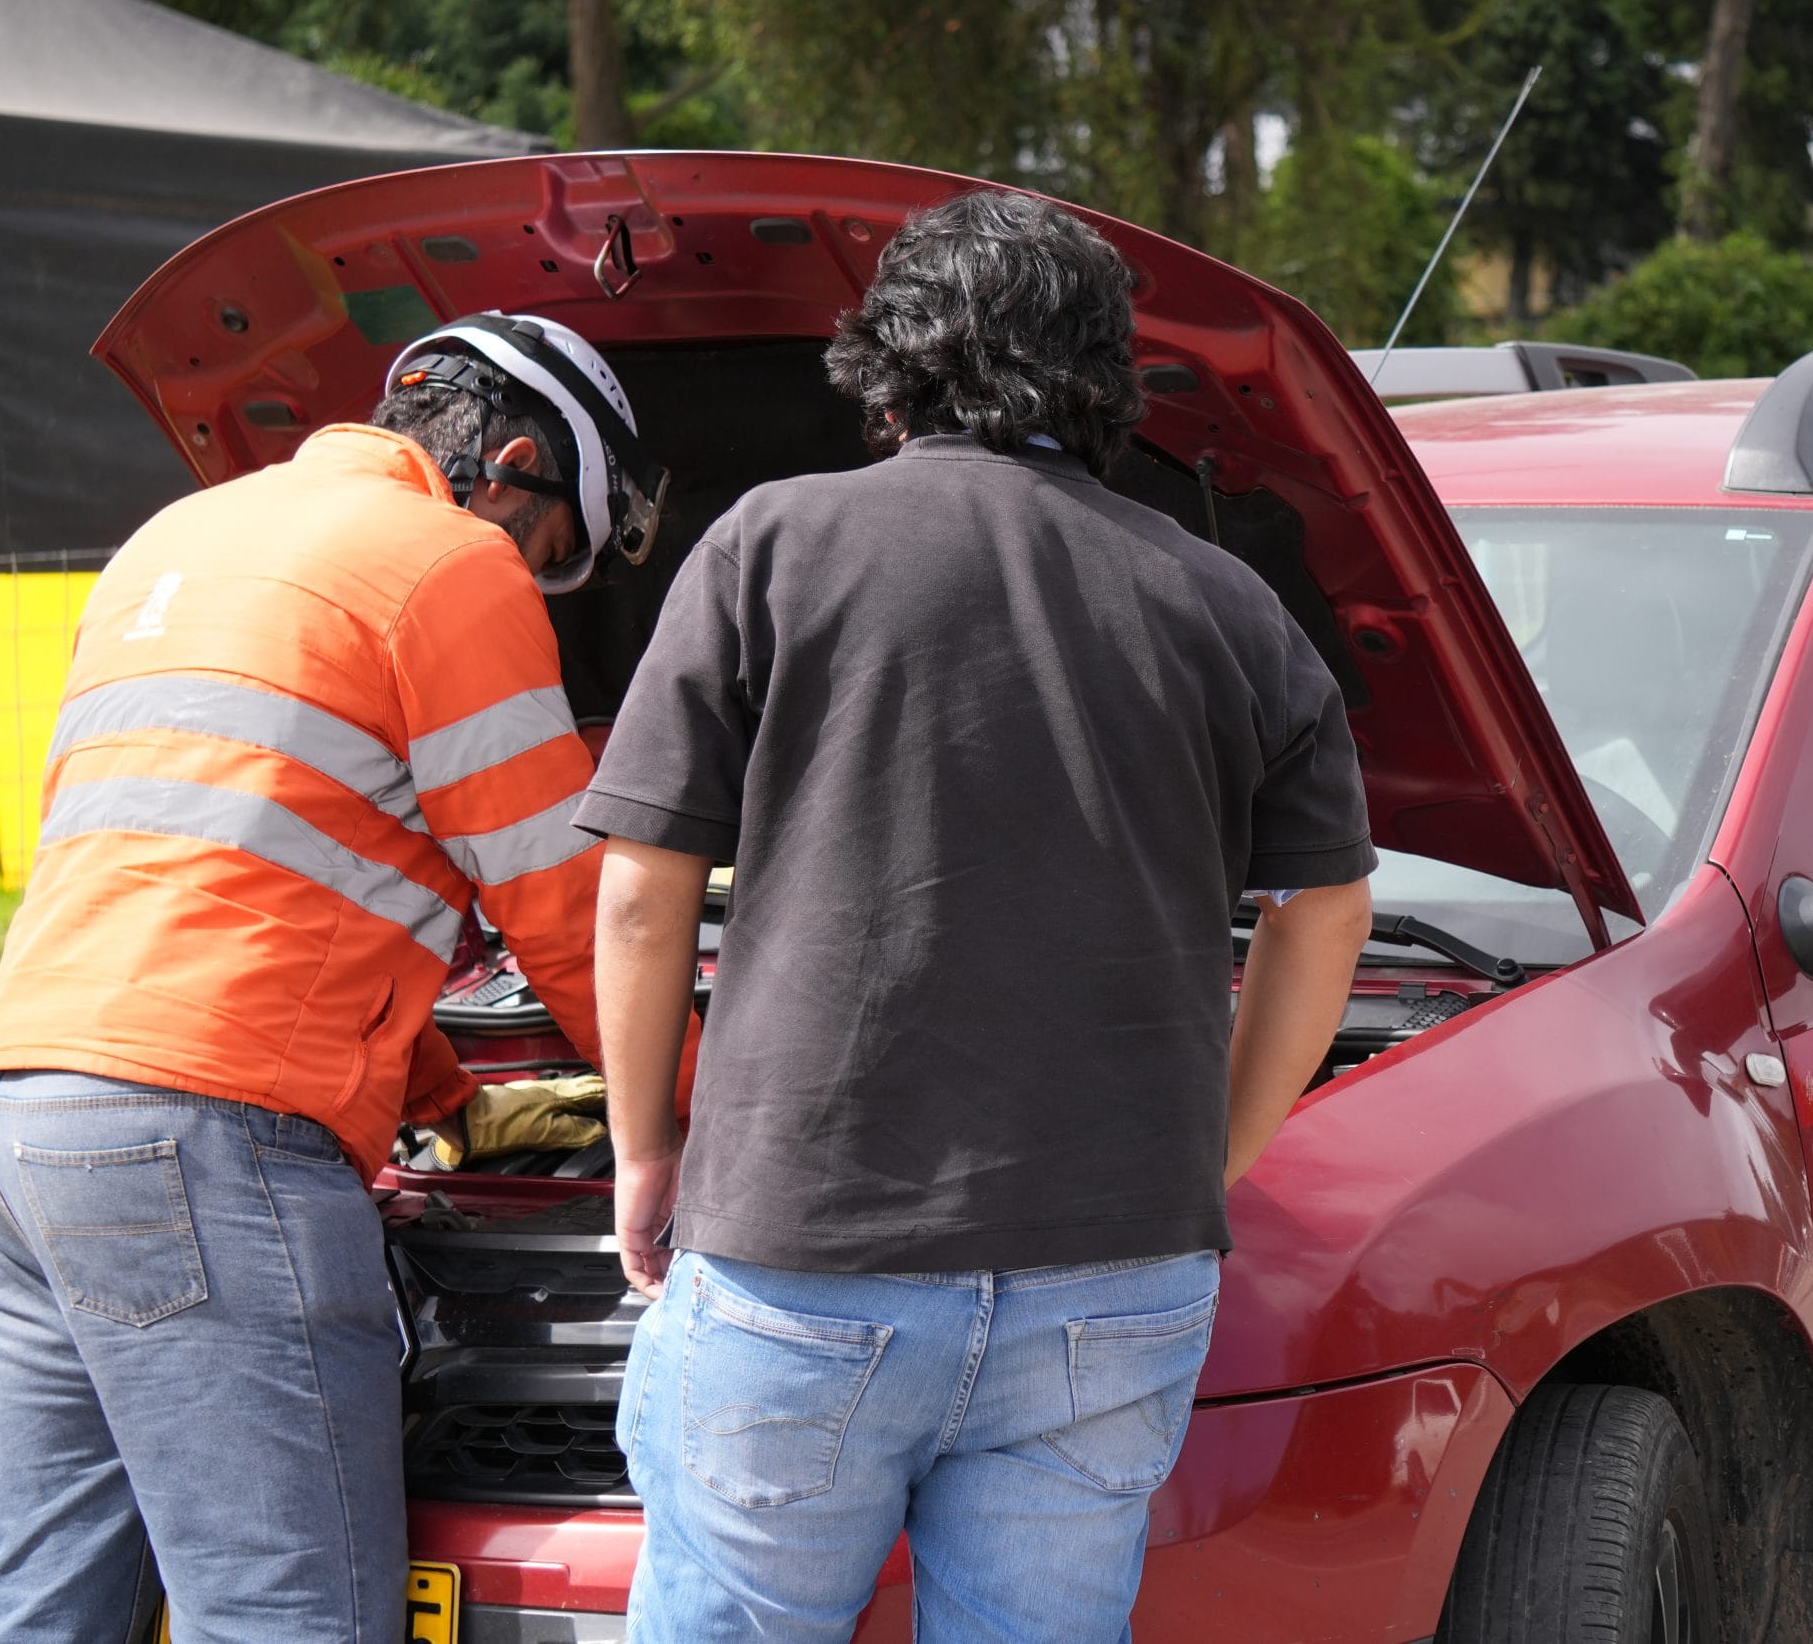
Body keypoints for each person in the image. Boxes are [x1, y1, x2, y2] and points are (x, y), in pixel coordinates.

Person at [581, 190, 1377, 1642]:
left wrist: (646, 1149)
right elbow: (1325, 908)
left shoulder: (772, 546)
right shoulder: (1228, 603)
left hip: (803, 1259)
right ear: (1105, 377)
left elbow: (642, 889)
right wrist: (1211, 1158)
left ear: (890, 361)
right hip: (1116, 1278)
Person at [0, 311, 692, 1644]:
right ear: (514, 468)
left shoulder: (175, 540)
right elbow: (569, 910)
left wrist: (447, 1095)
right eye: (552, 553)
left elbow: (244, 874)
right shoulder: (449, 562)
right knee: (289, 1616)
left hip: (17, 1119)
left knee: (46, 1595)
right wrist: (690, 1102)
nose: (536, 585)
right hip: (202, 1143)